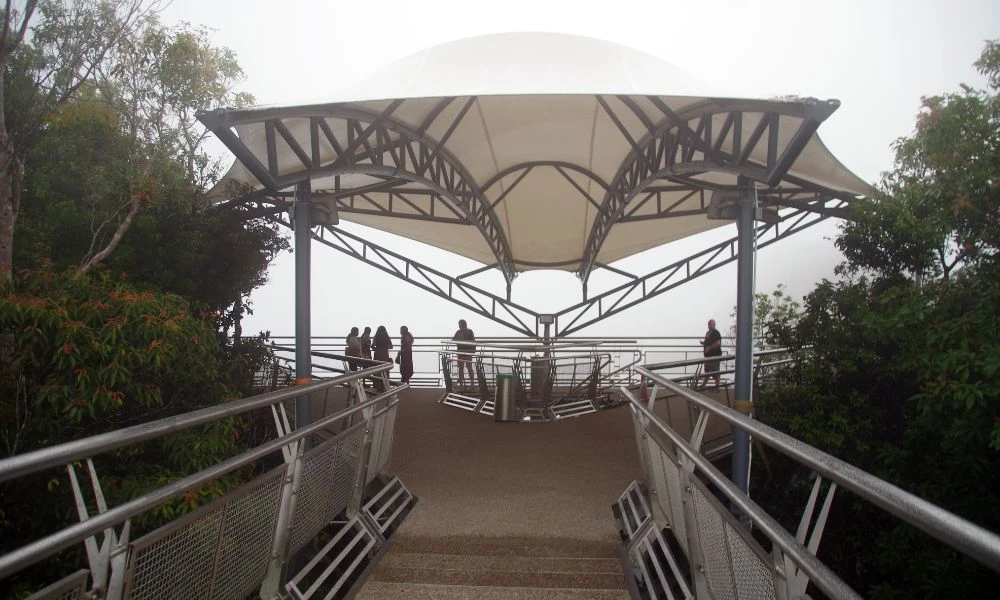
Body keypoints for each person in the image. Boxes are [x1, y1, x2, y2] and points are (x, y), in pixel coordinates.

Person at [452, 319, 476, 388]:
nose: (459, 326)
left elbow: (473, 341)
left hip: (466, 353)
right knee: (462, 368)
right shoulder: (460, 332)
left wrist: (473, 350)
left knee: (467, 368)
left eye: (460, 325)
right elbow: (453, 340)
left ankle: (471, 383)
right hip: (463, 353)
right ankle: (465, 383)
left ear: (463, 325)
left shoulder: (468, 331)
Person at [699, 319, 723, 388]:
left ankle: (717, 386)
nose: (709, 326)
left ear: (714, 325)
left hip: (715, 355)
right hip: (708, 356)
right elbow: (707, 342)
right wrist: (703, 343)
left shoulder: (716, 333)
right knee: (707, 371)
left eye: (711, 324)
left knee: (715, 371)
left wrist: (709, 348)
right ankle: (703, 385)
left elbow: (718, 343)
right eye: (709, 324)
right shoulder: (708, 333)